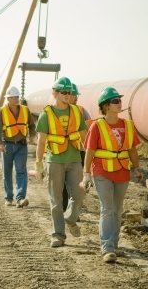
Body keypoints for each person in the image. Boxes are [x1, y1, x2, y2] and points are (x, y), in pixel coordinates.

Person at [81, 87, 143, 263]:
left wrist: (137, 168)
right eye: (115, 101)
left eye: (120, 100)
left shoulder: (128, 125)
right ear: (106, 106)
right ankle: (107, 248)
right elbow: (90, 151)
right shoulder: (97, 126)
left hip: (122, 171)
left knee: (117, 210)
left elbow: (132, 149)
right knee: (107, 209)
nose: (119, 103)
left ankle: (115, 245)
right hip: (102, 172)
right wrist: (86, 174)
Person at [35, 77, 87, 247]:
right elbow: (41, 142)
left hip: (74, 160)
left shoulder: (76, 112)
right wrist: (39, 164)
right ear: (55, 93)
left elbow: (85, 139)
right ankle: (58, 235)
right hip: (54, 160)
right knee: (56, 200)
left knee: (79, 194)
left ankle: (70, 218)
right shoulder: (46, 114)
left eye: (69, 92)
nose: (67, 95)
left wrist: (90, 162)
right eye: (64, 92)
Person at [0, 86, 36, 208]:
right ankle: (8, 198)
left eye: (17, 97)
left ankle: (20, 198)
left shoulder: (25, 110)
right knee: (7, 172)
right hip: (7, 146)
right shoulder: (1, 112)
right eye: (13, 97)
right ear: (8, 99)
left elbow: (32, 125)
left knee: (21, 171)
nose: (16, 99)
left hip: (21, 146)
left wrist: (32, 136)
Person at [61, 83, 92, 211]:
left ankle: (74, 211)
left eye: (75, 95)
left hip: (79, 151)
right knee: (63, 183)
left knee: (76, 183)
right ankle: (64, 208)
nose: (75, 97)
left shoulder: (82, 111)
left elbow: (90, 129)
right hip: (63, 151)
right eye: (73, 95)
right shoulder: (58, 111)